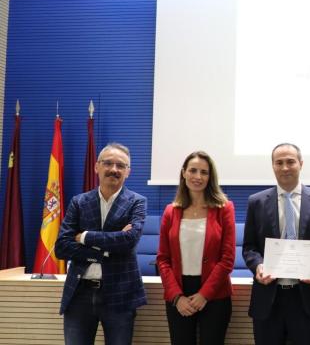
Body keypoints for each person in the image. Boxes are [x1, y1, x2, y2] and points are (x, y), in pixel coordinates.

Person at [55, 143, 147, 345]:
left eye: (120, 165)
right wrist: (106, 251)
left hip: (120, 293)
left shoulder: (137, 202)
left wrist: (85, 236)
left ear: (128, 172)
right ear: (97, 167)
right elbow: (61, 247)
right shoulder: (79, 202)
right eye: (108, 163)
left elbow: (129, 241)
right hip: (80, 293)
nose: (114, 169)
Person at [242, 143, 310, 345]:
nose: (285, 167)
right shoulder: (256, 202)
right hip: (268, 298)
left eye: (290, 162)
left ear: (300, 164)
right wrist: (258, 265)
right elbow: (249, 247)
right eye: (279, 162)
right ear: (273, 166)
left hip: (306, 298)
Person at [157, 151, 236, 344]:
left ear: (211, 177)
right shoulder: (171, 211)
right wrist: (176, 297)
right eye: (193, 170)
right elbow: (163, 259)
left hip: (215, 293)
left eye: (204, 172)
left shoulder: (224, 208)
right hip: (179, 292)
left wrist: (204, 295)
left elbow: (227, 259)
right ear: (184, 173)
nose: (198, 177)